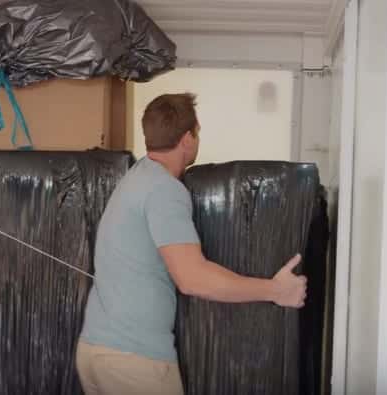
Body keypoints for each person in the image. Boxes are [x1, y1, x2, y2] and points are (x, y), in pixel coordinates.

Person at [76, 93, 307, 395]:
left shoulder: (135, 178)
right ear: (188, 138)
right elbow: (192, 278)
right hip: (134, 363)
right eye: (197, 133)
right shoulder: (164, 190)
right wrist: (276, 290)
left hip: (95, 352)